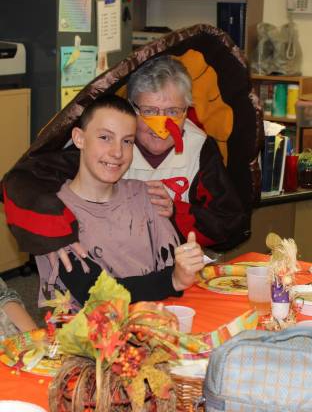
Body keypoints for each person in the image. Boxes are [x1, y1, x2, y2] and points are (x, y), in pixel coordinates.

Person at [2, 55, 249, 272]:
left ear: (187, 111)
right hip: (103, 265)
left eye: (173, 111)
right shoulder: (103, 148)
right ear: (131, 108)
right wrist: (57, 230)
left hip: (177, 267)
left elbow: (229, 220)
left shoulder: (199, 148)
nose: (162, 126)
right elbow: (21, 182)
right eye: (151, 111)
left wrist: (174, 213)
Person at [35, 94, 205, 307]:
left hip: (156, 323)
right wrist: (173, 281)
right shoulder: (51, 214)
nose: (117, 152)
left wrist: (186, 263)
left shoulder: (145, 195)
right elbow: (92, 294)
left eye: (127, 141)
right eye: (105, 137)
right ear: (79, 138)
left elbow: (173, 266)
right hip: (89, 335)